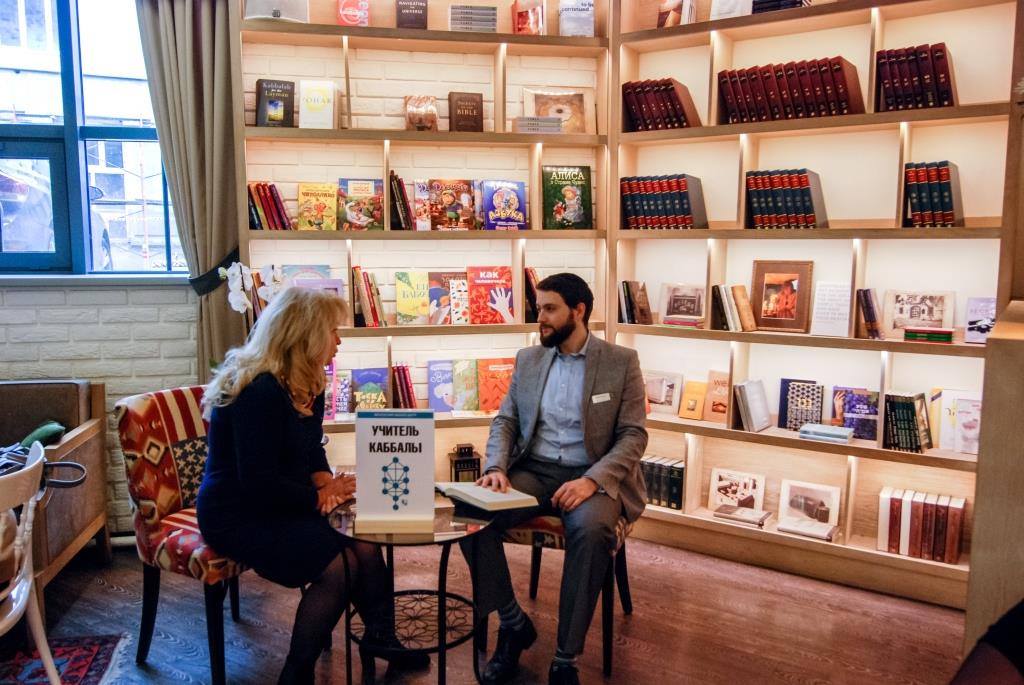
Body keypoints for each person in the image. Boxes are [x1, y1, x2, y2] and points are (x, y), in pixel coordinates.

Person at [196, 287, 425, 684]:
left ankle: (382, 639)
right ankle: (296, 673)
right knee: (337, 568)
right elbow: (257, 483)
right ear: (305, 335)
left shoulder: (306, 382)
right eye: (332, 331)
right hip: (239, 511)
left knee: (364, 540)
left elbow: (309, 448)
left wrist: (324, 478)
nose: (339, 340)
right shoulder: (260, 390)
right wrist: (321, 495)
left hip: (282, 498)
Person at [460, 272, 648, 685]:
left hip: (591, 476)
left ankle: (566, 658)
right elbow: (506, 420)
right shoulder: (529, 359)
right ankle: (512, 623)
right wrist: (495, 468)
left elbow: (634, 435)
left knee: (595, 530)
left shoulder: (620, 362)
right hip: (534, 470)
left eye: (549, 309)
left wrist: (593, 480)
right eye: (539, 308)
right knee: (469, 514)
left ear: (578, 312)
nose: (539, 318)